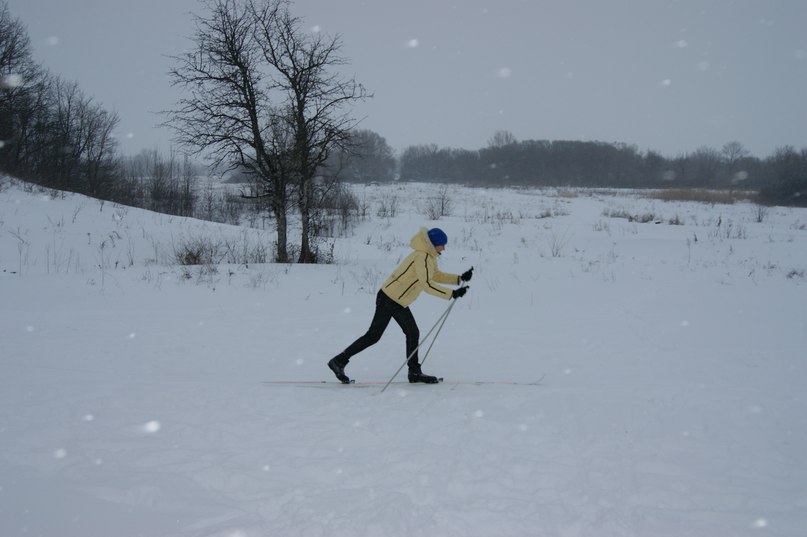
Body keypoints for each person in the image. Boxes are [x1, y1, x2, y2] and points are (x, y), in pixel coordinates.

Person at [328, 227, 473, 384]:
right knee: (373, 336)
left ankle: (414, 372)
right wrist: (452, 294)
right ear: (434, 244)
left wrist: (459, 279)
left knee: (412, 332)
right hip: (389, 298)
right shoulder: (422, 257)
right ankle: (339, 361)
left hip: (398, 301)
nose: (444, 248)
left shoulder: (428, 257)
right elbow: (426, 284)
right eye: (442, 245)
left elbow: (435, 275)